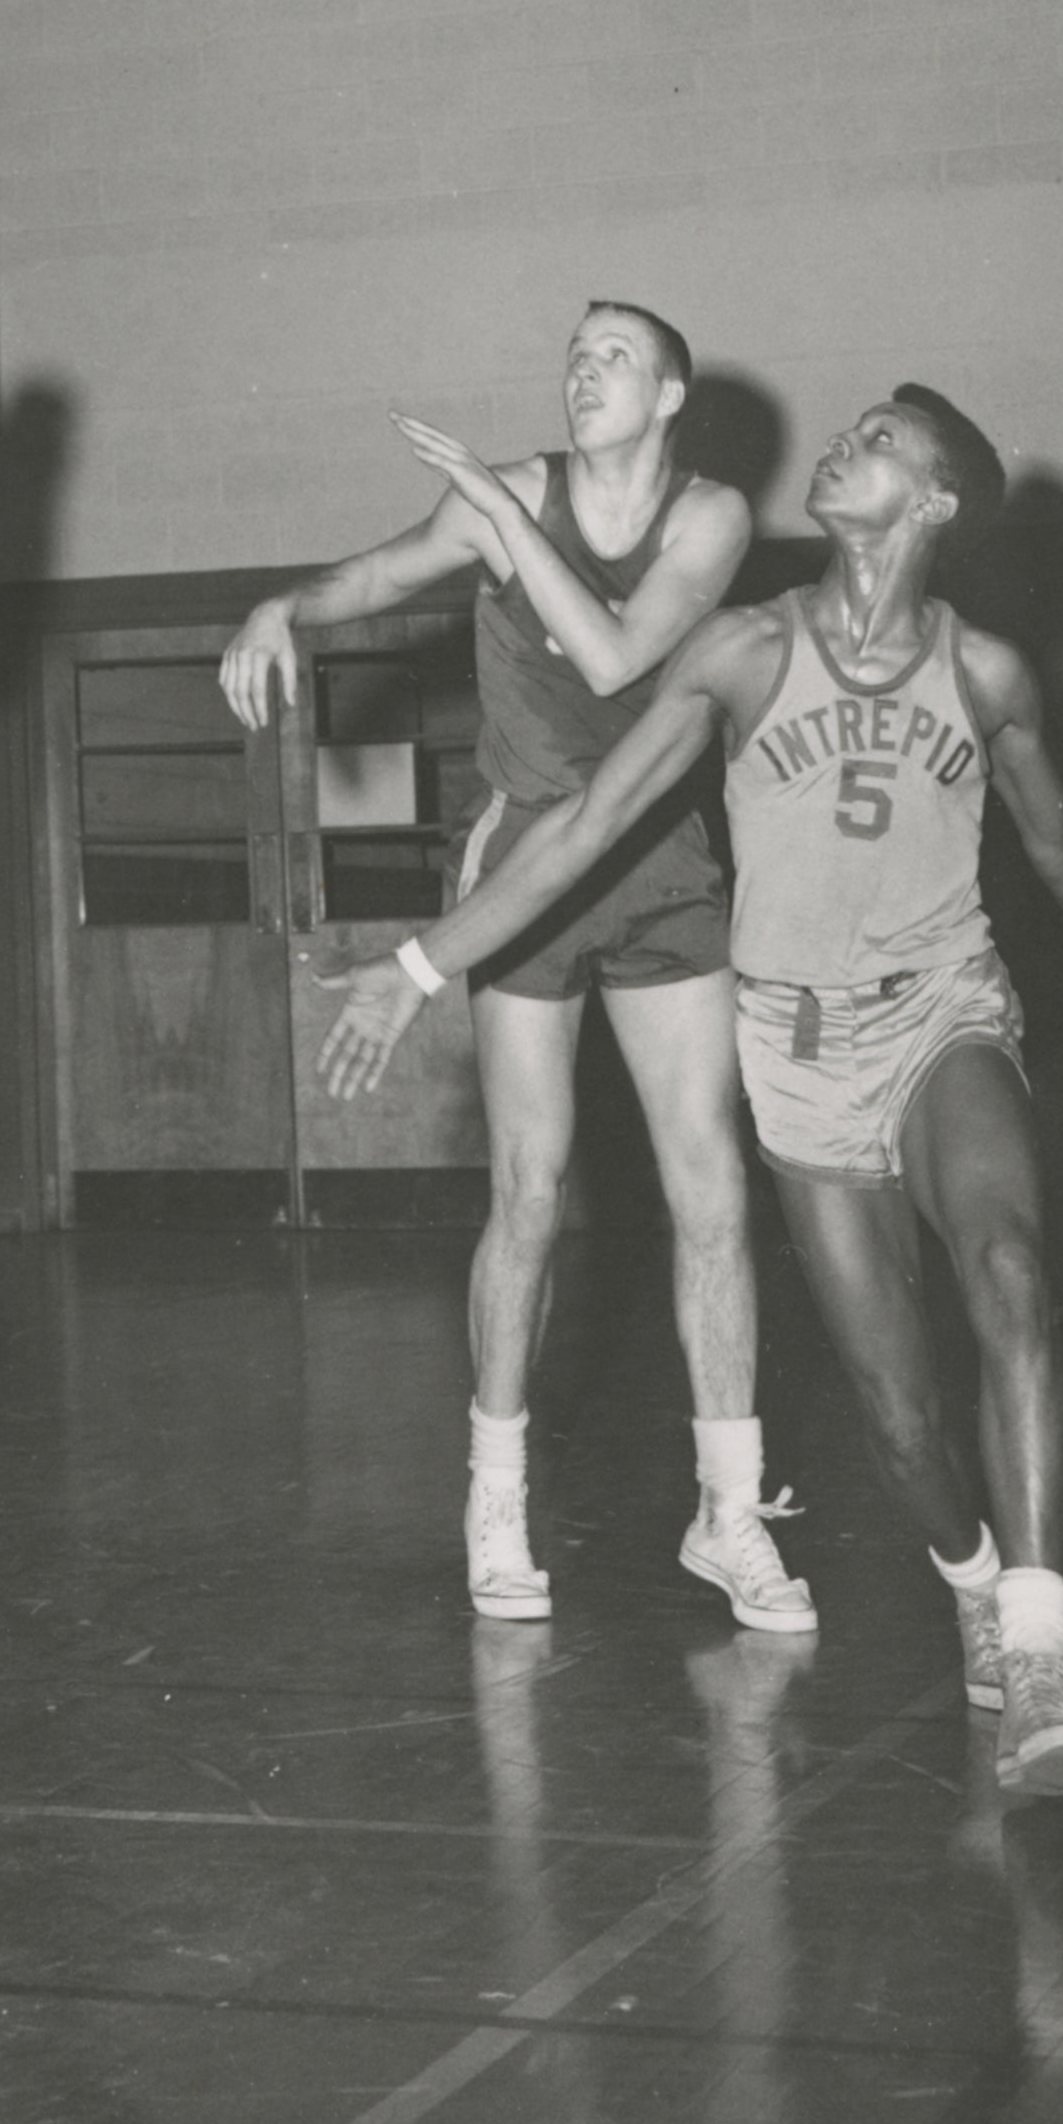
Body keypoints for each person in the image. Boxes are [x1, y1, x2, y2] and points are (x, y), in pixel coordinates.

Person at [316, 387, 1063, 1795]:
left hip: (944, 1009)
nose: (841, 445)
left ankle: (1039, 1657)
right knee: (899, 1415)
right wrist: (422, 968)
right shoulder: (743, 650)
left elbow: (1062, 841)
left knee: (1007, 1266)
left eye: (875, 442)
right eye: (850, 430)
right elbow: (595, 820)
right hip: (798, 1053)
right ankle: (977, 1583)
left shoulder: (983, 673)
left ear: (927, 503)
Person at [221, 304, 801, 1634]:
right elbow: (375, 574)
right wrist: (282, 606)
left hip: (659, 869)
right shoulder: (506, 498)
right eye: (574, 353)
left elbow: (615, 656)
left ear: (668, 398)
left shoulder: (707, 518)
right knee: (528, 1189)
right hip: (525, 879)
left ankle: (730, 1509)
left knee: (709, 1181)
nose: (581, 371)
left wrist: (495, 506)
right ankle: (495, 1493)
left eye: (613, 358)